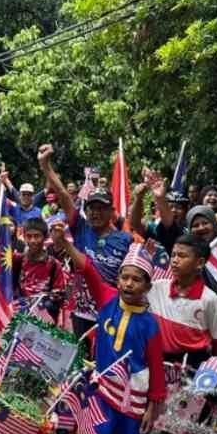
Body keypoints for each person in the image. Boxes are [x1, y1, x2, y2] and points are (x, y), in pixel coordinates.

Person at [52, 232, 165, 434]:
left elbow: (156, 370)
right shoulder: (105, 300)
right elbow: (87, 268)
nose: (128, 283)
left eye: (136, 279)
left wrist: (153, 408)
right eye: (124, 277)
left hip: (133, 403)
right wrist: (67, 245)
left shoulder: (151, 326)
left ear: (147, 286)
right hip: (103, 394)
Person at [38, 144, 133, 338]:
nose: (95, 212)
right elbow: (64, 195)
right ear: (86, 210)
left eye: (101, 208)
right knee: (82, 365)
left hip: (113, 313)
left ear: (111, 212)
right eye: (91, 207)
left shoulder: (126, 240)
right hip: (82, 313)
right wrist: (46, 166)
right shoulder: (81, 228)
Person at [146, 233, 217, 434]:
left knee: (181, 428)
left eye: (182, 256)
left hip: (193, 368)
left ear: (200, 263)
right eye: (173, 255)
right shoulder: (157, 288)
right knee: (161, 420)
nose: (174, 260)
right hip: (162, 365)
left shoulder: (209, 299)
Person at [12, 217, 67, 322]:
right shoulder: (17, 260)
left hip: (44, 319)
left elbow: (59, 294)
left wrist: (39, 303)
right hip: (19, 315)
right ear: (24, 237)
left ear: (45, 237)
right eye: (29, 236)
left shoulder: (54, 264)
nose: (33, 241)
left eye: (37, 236)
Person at [130, 168, 188, 252]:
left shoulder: (187, 232)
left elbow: (170, 223)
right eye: (170, 206)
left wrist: (160, 198)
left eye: (178, 207)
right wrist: (139, 198)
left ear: (185, 211)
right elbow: (135, 224)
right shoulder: (154, 228)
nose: (174, 210)